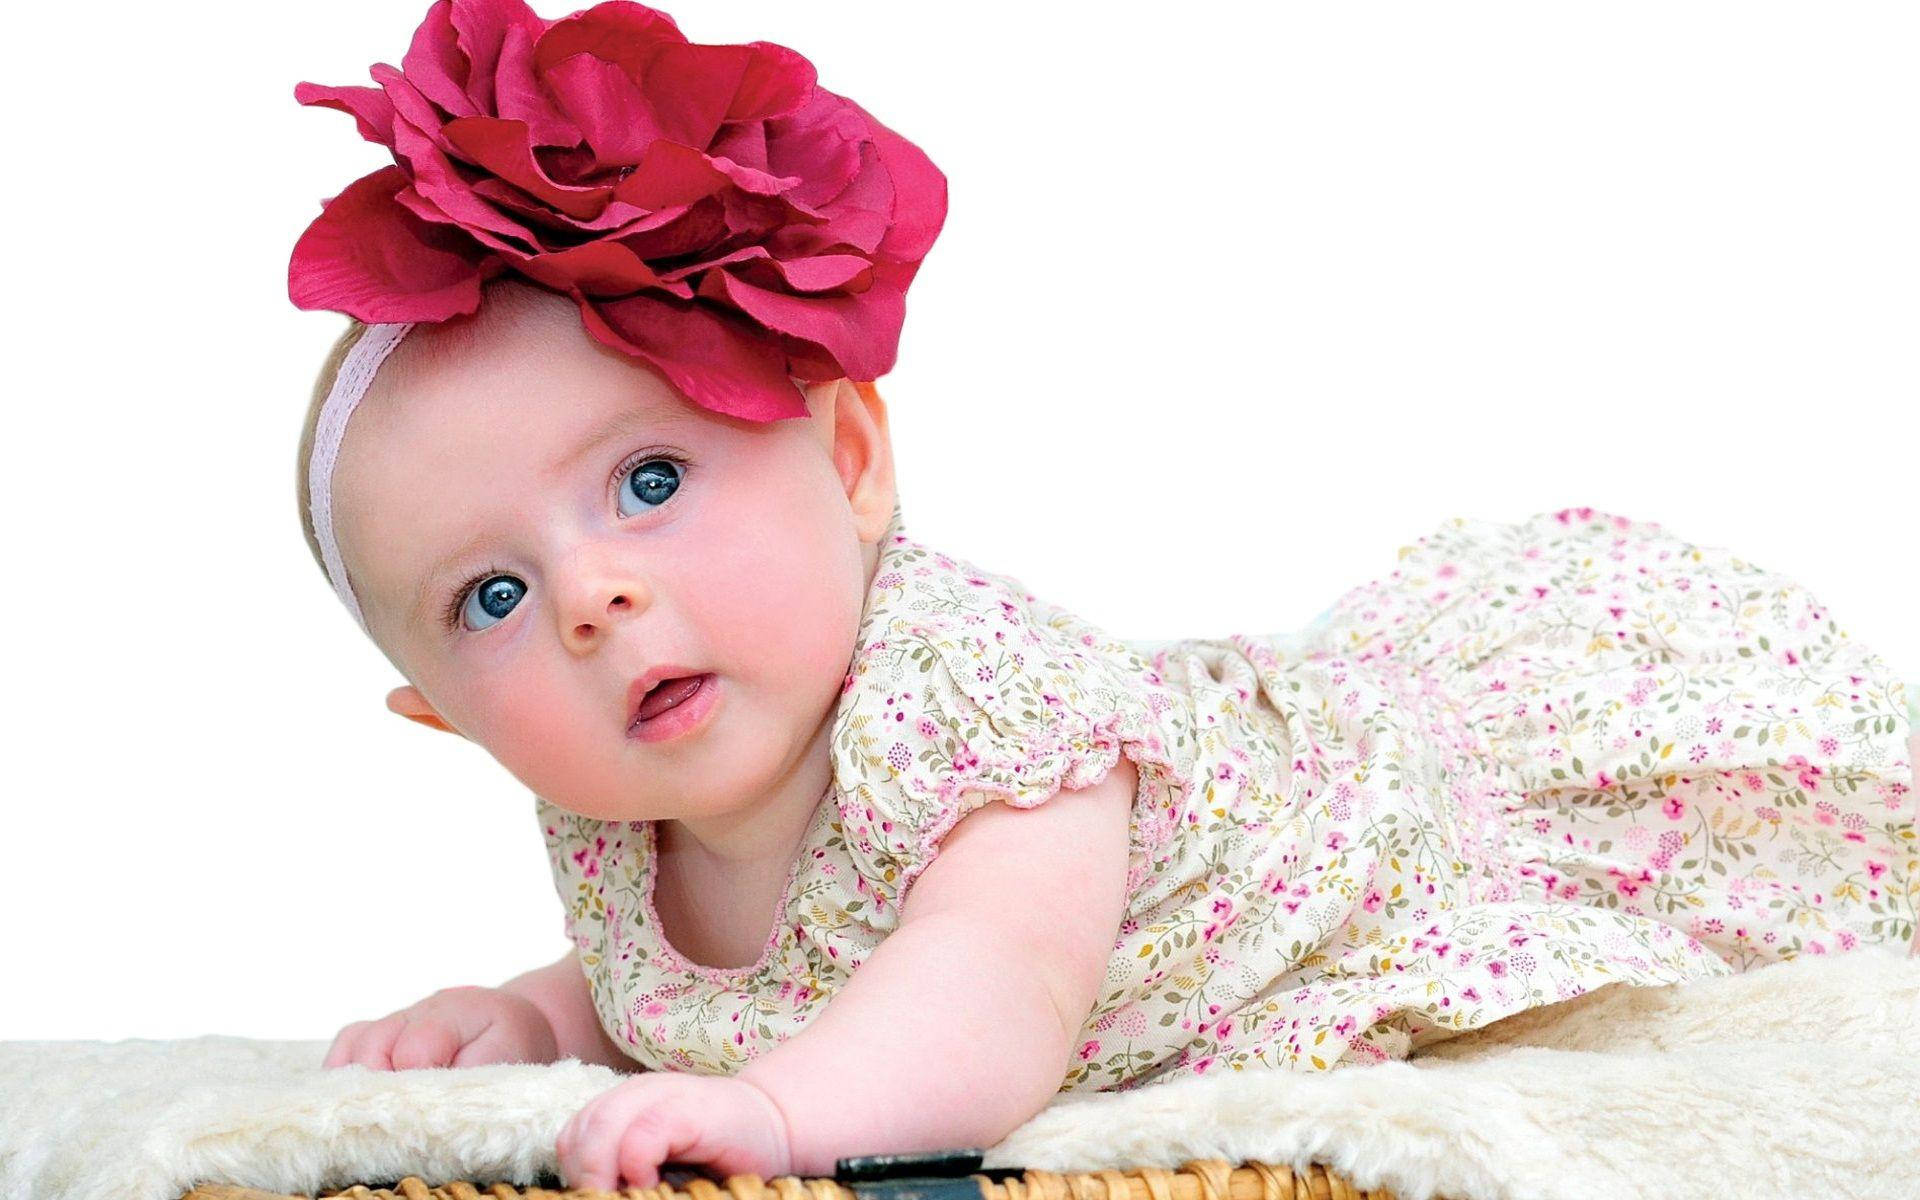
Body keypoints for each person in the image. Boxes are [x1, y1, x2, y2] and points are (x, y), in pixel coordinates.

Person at [289, 0, 1920, 1191]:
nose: (591, 597)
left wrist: (784, 1121)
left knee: (1751, 893)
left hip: (1363, 837)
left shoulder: (982, 720)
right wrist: (526, 1015)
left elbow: (982, 991)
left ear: (851, 459)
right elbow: (708, 986)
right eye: (490, 596)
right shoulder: (613, 820)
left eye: (649, 484)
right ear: (438, 714)